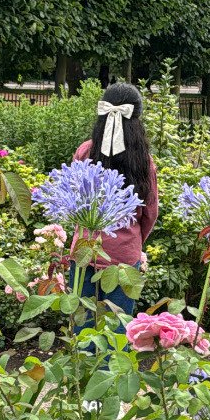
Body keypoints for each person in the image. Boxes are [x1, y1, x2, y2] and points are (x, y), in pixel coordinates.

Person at [72, 82, 159, 319]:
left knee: (81, 324)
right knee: (117, 326)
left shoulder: (85, 152)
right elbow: (150, 213)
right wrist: (133, 240)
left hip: (84, 250)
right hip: (123, 256)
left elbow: (72, 199)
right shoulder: (144, 161)